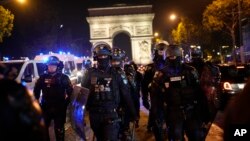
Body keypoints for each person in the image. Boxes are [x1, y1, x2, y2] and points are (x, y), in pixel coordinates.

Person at [152, 45, 210, 141]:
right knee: (176, 137)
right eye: (170, 57)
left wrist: (205, 115)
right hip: (173, 113)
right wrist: (159, 119)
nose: (172, 59)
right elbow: (156, 99)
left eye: (174, 57)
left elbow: (200, 94)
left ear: (179, 57)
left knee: (197, 137)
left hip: (191, 111)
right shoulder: (161, 74)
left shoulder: (190, 71)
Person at [81, 43, 137, 141]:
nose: (103, 58)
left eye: (105, 55)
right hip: (94, 115)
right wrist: (79, 113)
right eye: (100, 56)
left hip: (111, 113)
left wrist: (133, 112)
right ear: (96, 57)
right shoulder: (89, 74)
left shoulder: (117, 73)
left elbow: (126, 94)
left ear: (109, 56)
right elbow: (83, 94)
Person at [33, 56, 73, 141]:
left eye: (53, 65)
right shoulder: (42, 77)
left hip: (59, 107)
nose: (51, 67)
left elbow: (71, 93)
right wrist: (36, 103)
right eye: (49, 65)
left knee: (59, 129)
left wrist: (66, 104)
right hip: (45, 107)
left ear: (57, 66)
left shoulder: (64, 77)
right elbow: (36, 91)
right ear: (47, 66)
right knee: (44, 128)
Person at [141, 41, 168, 135]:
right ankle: (152, 125)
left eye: (163, 50)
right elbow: (144, 84)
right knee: (155, 113)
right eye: (159, 50)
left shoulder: (173, 66)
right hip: (155, 96)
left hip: (170, 96)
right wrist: (144, 97)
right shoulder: (150, 68)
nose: (161, 52)